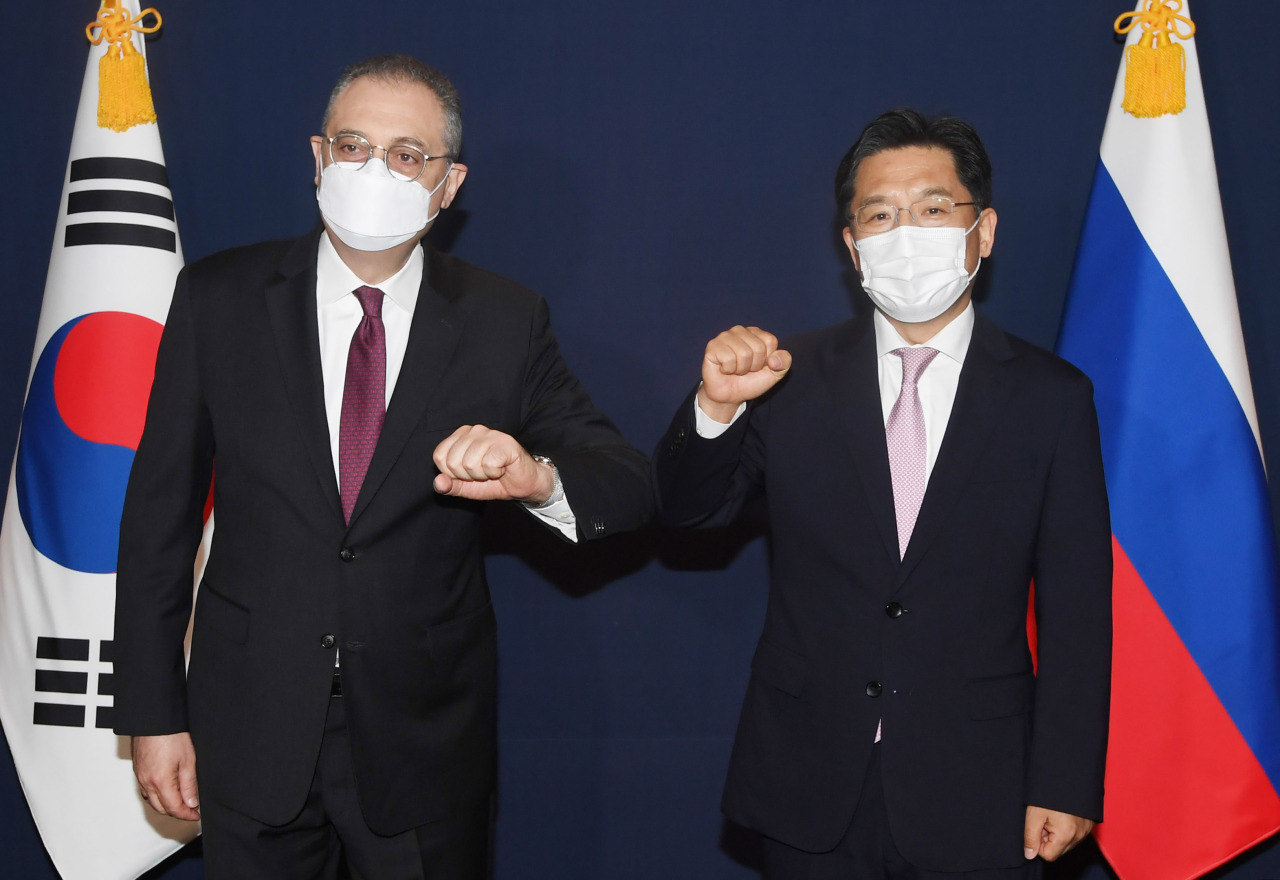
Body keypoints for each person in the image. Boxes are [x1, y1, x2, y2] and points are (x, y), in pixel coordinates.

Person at [113, 54, 652, 879]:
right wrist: (152, 716)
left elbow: (627, 482)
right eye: (355, 145)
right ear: (319, 158)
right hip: (248, 725)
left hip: (424, 743)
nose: (377, 170)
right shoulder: (217, 298)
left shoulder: (505, 320)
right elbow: (158, 520)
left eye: (408, 155)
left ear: (448, 183)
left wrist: (535, 475)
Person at [653, 109, 1112, 879]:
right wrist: (717, 407)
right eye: (880, 215)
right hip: (807, 781)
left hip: (979, 787)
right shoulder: (783, 379)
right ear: (852, 244)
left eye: (934, 209)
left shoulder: (1052, 398)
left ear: (985, 230)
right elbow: (689, 513)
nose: (907, 233)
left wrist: (1066, 781)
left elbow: (1078, 609)